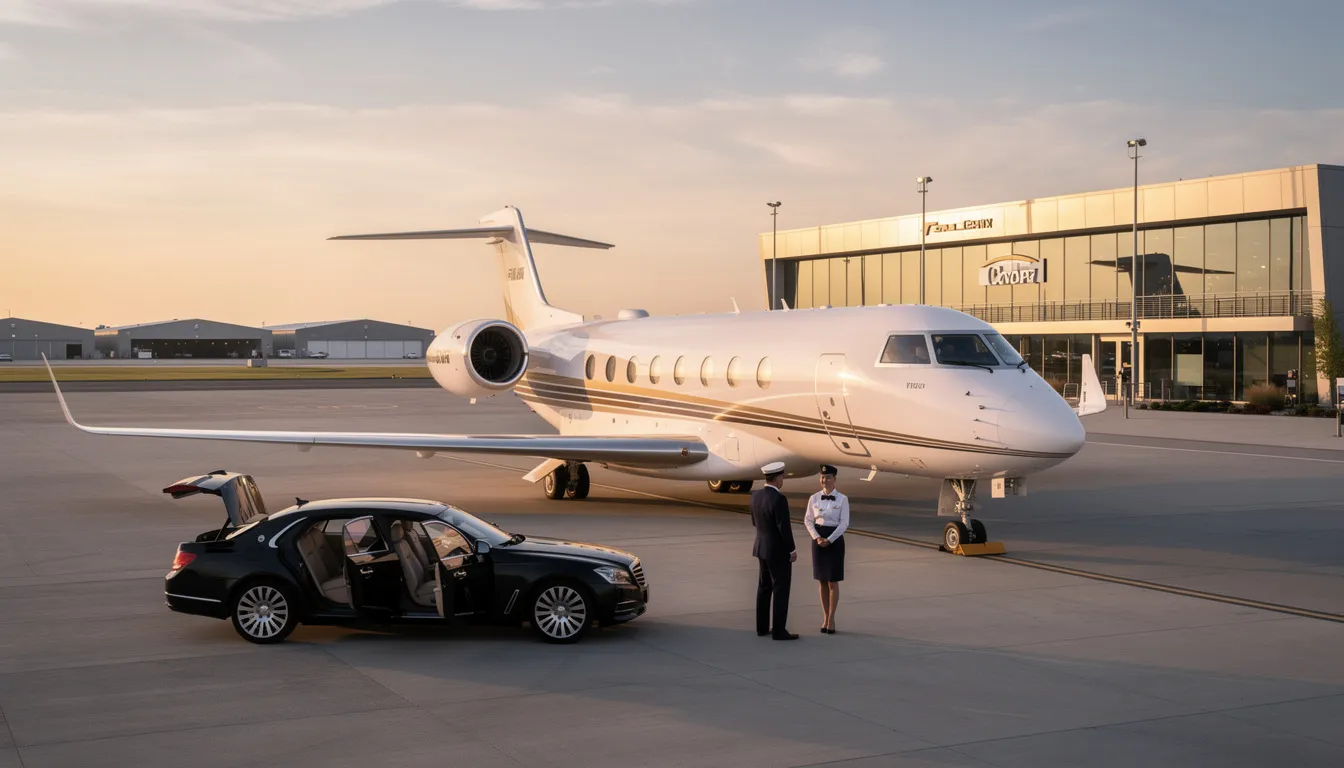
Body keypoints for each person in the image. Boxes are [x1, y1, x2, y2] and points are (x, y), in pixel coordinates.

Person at [751, 461, 797, 640]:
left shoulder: (755, 496)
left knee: (764, 587)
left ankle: (762, 627)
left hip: (761, 548)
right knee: (780, 589)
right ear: (777, 478)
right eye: (782, 477)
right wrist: (792, 549)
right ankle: (778, 630)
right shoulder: (779, 499)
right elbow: (784, 528)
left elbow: (754, 522)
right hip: (777, 551)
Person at [804, 464, 849, 634]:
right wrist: (817, 537)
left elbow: (844, 523)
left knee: (833, 581)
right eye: (822, 477)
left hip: (834, 539)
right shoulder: (814, 498)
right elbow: (808, 520)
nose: (824, 480)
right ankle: (825, 616)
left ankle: (832, 618)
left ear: (834, 479)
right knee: (822, 580)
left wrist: (829, 540)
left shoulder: (842, 499)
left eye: (828, 477)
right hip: (818, 539)